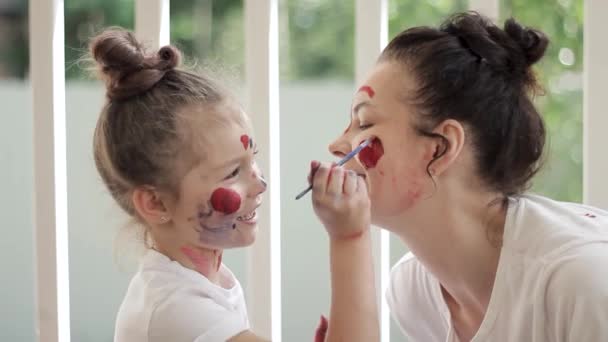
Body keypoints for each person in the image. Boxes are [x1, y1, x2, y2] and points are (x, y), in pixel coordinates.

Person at [310, 11, 608, 342]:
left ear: (440, 149)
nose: (336, 146)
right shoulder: (413, 292)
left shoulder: (583, 282)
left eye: (364, 123)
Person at [89, 28, 269, 342]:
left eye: (252, 159)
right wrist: (348, 237)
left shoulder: (204, 281)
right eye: (231, 174)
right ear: (156, 204)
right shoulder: (179, 311)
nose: (260, 184)